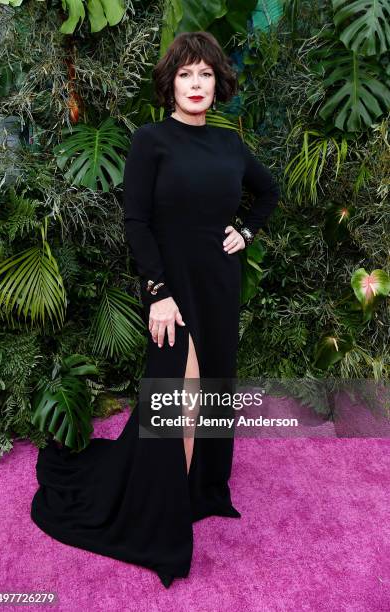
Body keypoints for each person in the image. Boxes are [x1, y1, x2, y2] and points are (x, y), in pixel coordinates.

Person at [30, 31, 280, 589]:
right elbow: (136, 223)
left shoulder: (231, 145)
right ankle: (161, 513)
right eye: (187, 75)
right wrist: (157, 293)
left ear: (218, 84)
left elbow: (268, 193)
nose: (196, 84)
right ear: (171, 84)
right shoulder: (150, 140)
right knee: (179, 391)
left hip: (218, 283)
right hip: (172, 287)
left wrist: (245, 231)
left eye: (206, 75)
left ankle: (196, 490)